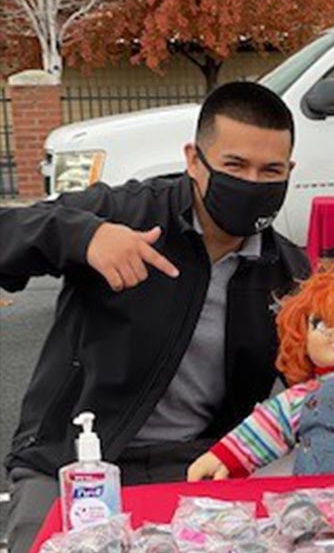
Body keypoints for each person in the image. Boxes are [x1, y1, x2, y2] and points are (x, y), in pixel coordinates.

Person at [0, 82, 309, 553]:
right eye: (234, 166)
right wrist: (82, 236)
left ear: (289, 171)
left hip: (203, 461)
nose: (251, 182)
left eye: (270, 170)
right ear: (193, 160)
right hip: (71, 458)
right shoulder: (125, 214)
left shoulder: (288, 271)